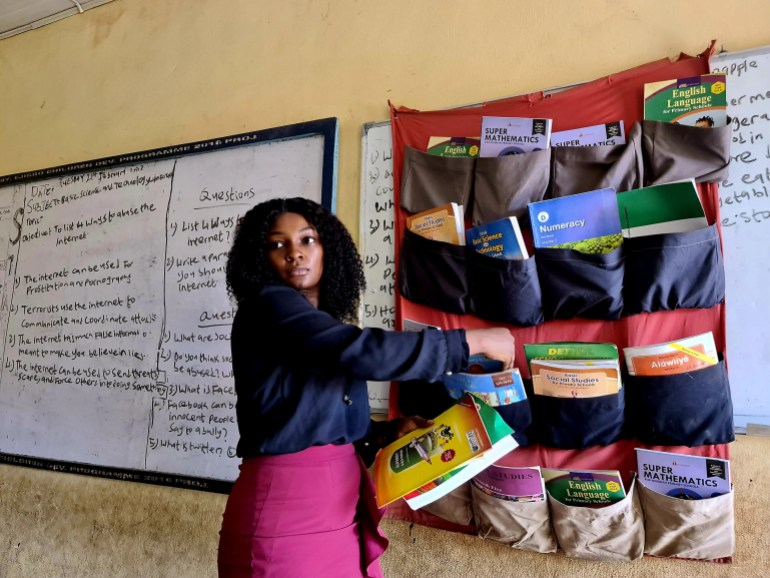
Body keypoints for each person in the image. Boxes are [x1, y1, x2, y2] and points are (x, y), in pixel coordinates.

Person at [218, 196, 516, 577]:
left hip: (339, 506)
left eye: (307, 240)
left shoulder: (316, 322)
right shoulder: (268, 305)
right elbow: (363, 354)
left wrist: (381, 432)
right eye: (278, 244)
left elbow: (309, 413)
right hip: (287, 512)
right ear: (260, 258)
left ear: (329, 248)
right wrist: (469, 343)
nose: (295, 253)